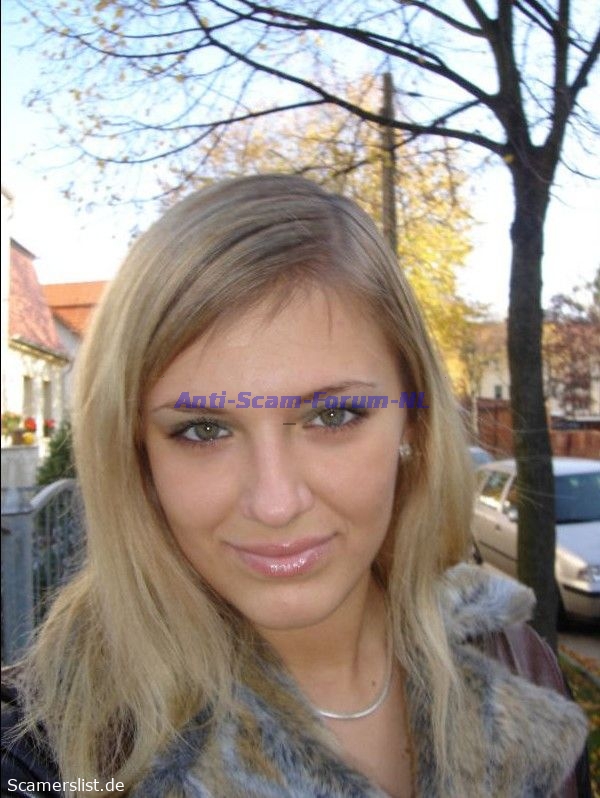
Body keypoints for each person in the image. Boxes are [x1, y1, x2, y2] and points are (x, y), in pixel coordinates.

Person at [1, 175, 589, 798]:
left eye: (332, 417)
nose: (275, 503)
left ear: (411, 423)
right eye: (203, 430)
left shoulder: (516, 669)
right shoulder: (45, 755)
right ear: (136, 454)